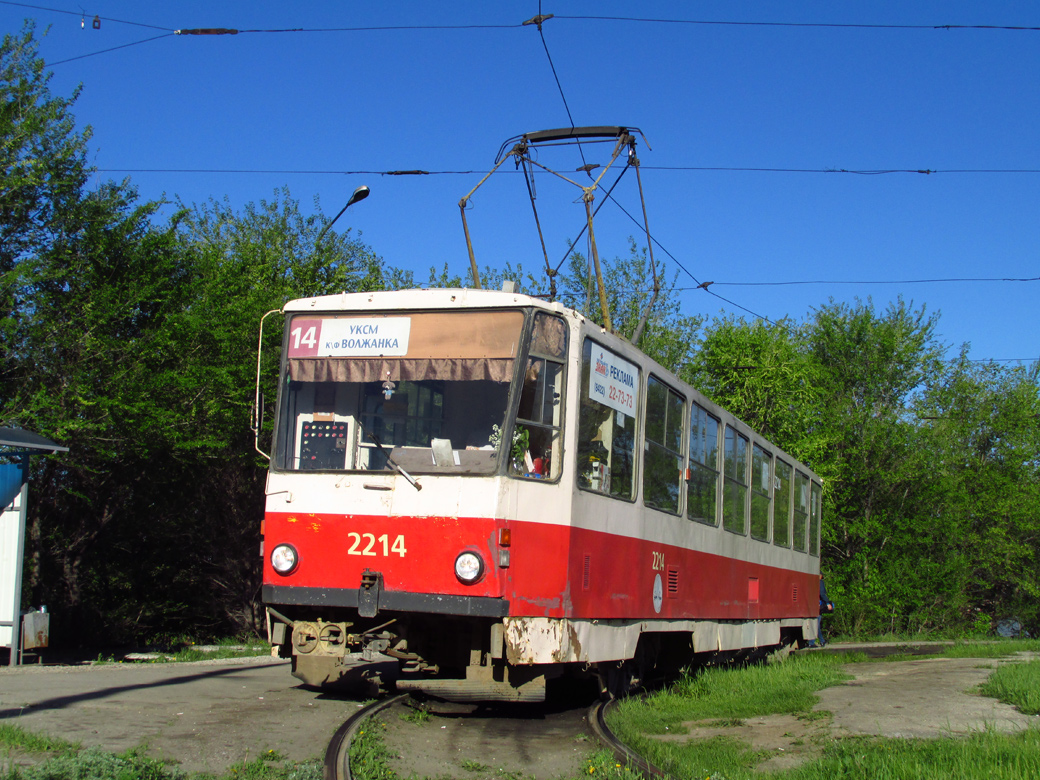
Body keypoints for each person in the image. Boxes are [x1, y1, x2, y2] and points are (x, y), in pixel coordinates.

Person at [817, 577, 835, 647]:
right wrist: (827, 603)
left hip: (813, 605)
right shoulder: (820, 582)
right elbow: (822, 593)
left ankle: (813, 642)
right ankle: (821, 641)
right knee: (816, 624)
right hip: (819, 606)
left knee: (815, 624)